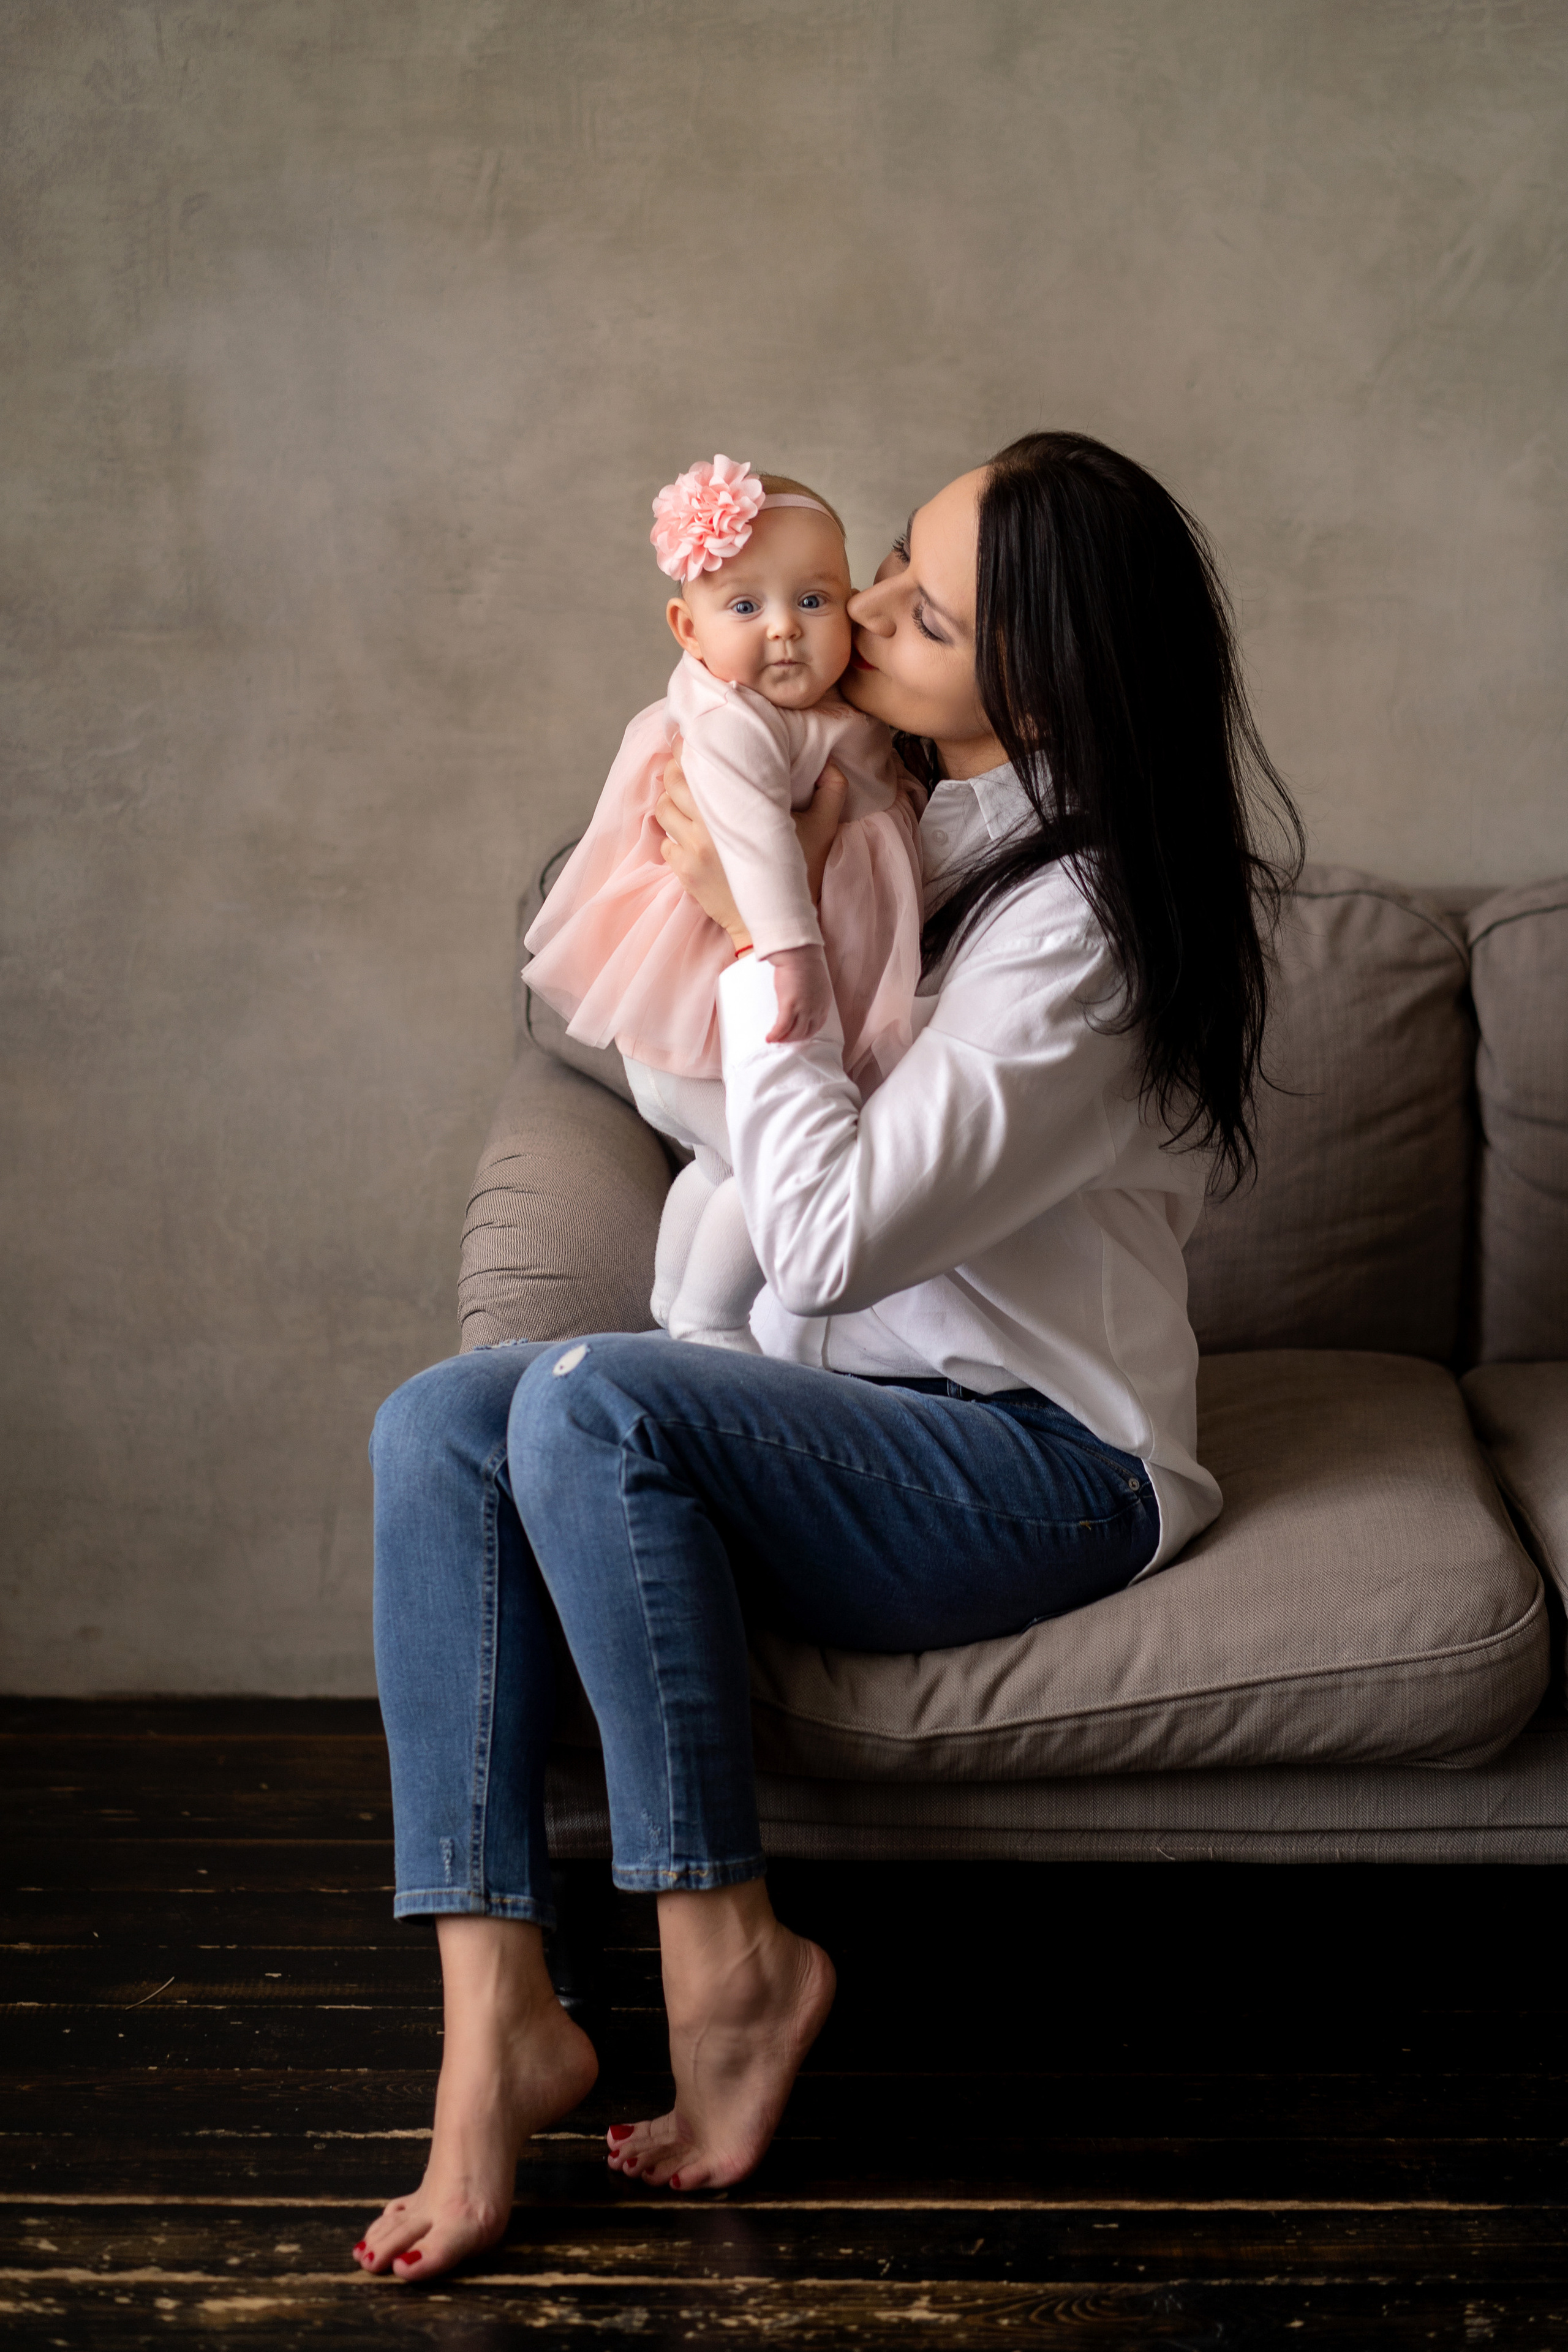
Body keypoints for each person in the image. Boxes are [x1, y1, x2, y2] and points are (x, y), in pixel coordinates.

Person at [353, 431, 1303, 2282]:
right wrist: (735, 916)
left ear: (1047, 682)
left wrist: (759, 930)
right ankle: (493, 2039)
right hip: (848, 1411)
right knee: (436, 1424)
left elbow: (827, 1231)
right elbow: (706, 1104)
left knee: (592, 1392)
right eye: (891, 571)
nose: (857, 611)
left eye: (921, 610)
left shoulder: (1083, 931)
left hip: (1040, 1464)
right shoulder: (908, 802)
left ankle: (735, 1967)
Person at [522, 454, 923, 1351]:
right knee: (764, 1163)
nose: (785, 631)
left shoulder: (832, 712)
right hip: (728, 1011)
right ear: (687, 627)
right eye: (745, 607)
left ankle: (669, 1310)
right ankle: (711, 1329)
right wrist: (789, 952)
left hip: (720, 1029)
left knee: (719, 1162)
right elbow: (749, 837)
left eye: (814, 601)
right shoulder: (732, 719)